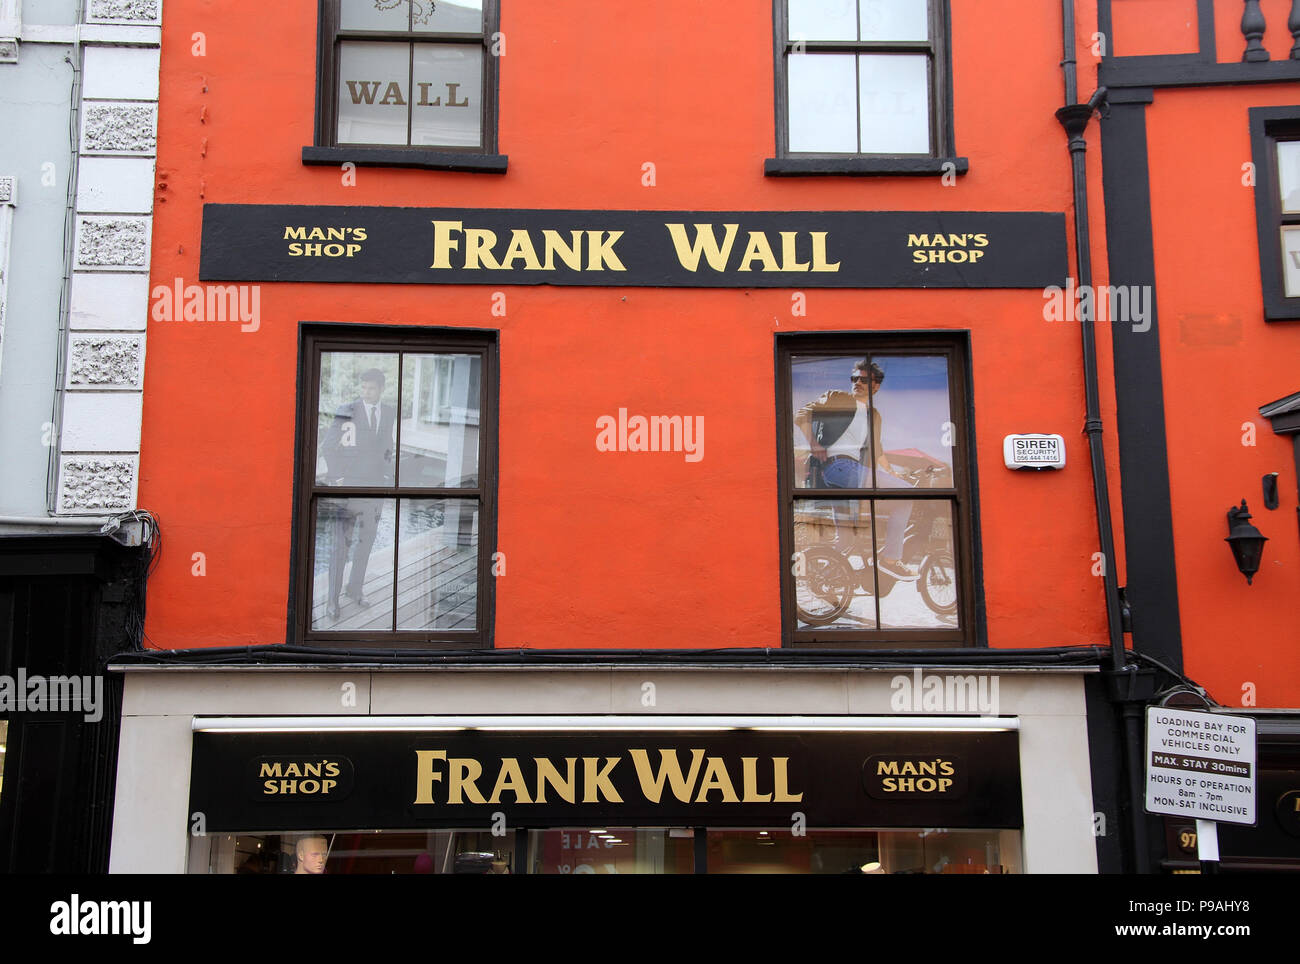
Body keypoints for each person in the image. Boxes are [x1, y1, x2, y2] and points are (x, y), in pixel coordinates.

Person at [794, 359, 917, 580]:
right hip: (841, 468)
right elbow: (801, 415)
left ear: (876, 386)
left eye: (863, 380)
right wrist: (814, 444)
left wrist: (891, 473)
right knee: (907, 495)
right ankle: (890, 559)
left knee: (846, 540)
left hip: (841, 477)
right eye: (855, 379)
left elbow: (877, 449)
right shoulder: (837, 398)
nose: (857, 383)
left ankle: (825, 579)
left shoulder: (874, 415)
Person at [319, 368, 397, 620]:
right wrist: (338, 477)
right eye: (363, 387)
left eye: (371, 388)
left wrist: (387, 475)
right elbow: (329, 447)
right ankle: (332, 601)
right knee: (339, 547)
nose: (366, 392)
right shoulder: (347, 410)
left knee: (366, 543)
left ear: (380, 389)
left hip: (374, 491)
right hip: (348, 490)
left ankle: (354, 589)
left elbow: (387, 447)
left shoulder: (388, 413)